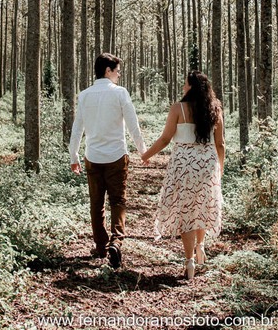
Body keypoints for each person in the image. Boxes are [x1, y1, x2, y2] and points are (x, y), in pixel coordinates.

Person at [140, 71, 224, 281]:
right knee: (202, 205)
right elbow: (220, 144)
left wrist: (145, 155)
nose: (183, 88)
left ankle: (189, 262)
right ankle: (201, 247)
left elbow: (165, 139)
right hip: (207, 164)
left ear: (192, 88)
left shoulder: (178, 109)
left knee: (186, 210)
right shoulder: (215, 109)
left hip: (184, 164)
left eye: (185, 85)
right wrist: (219, 169)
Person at [68, 52, 147, 268]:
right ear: (107, 71)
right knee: (118, 200)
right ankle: (116, 241)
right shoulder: (120, 93)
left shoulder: (84, 95)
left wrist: (73, 156)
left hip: (92, 157)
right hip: (116, 157)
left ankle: (101, 246)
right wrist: (142, 150)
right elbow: (133, 124)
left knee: (96, 203)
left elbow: (78, 129)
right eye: (117, 71)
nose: (119, 75)